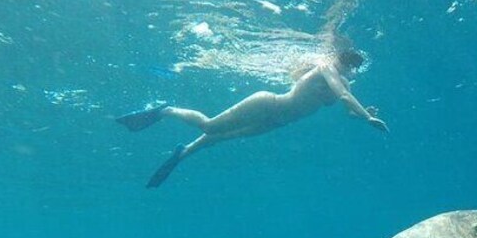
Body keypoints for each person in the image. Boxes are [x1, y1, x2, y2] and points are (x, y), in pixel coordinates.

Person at [116, 48, 388, 187]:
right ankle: (166, 110)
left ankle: (183, 152)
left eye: (351, 69)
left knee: (220, 137)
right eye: (348, 65)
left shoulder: (344, 82)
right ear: (342, 60)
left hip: (277, 121)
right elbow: (342, 98)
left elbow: (348, 107)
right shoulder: (327, 67)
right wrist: (366, 117)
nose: (348, 71)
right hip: (266, 104)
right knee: (210, 125)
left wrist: (365, 115)